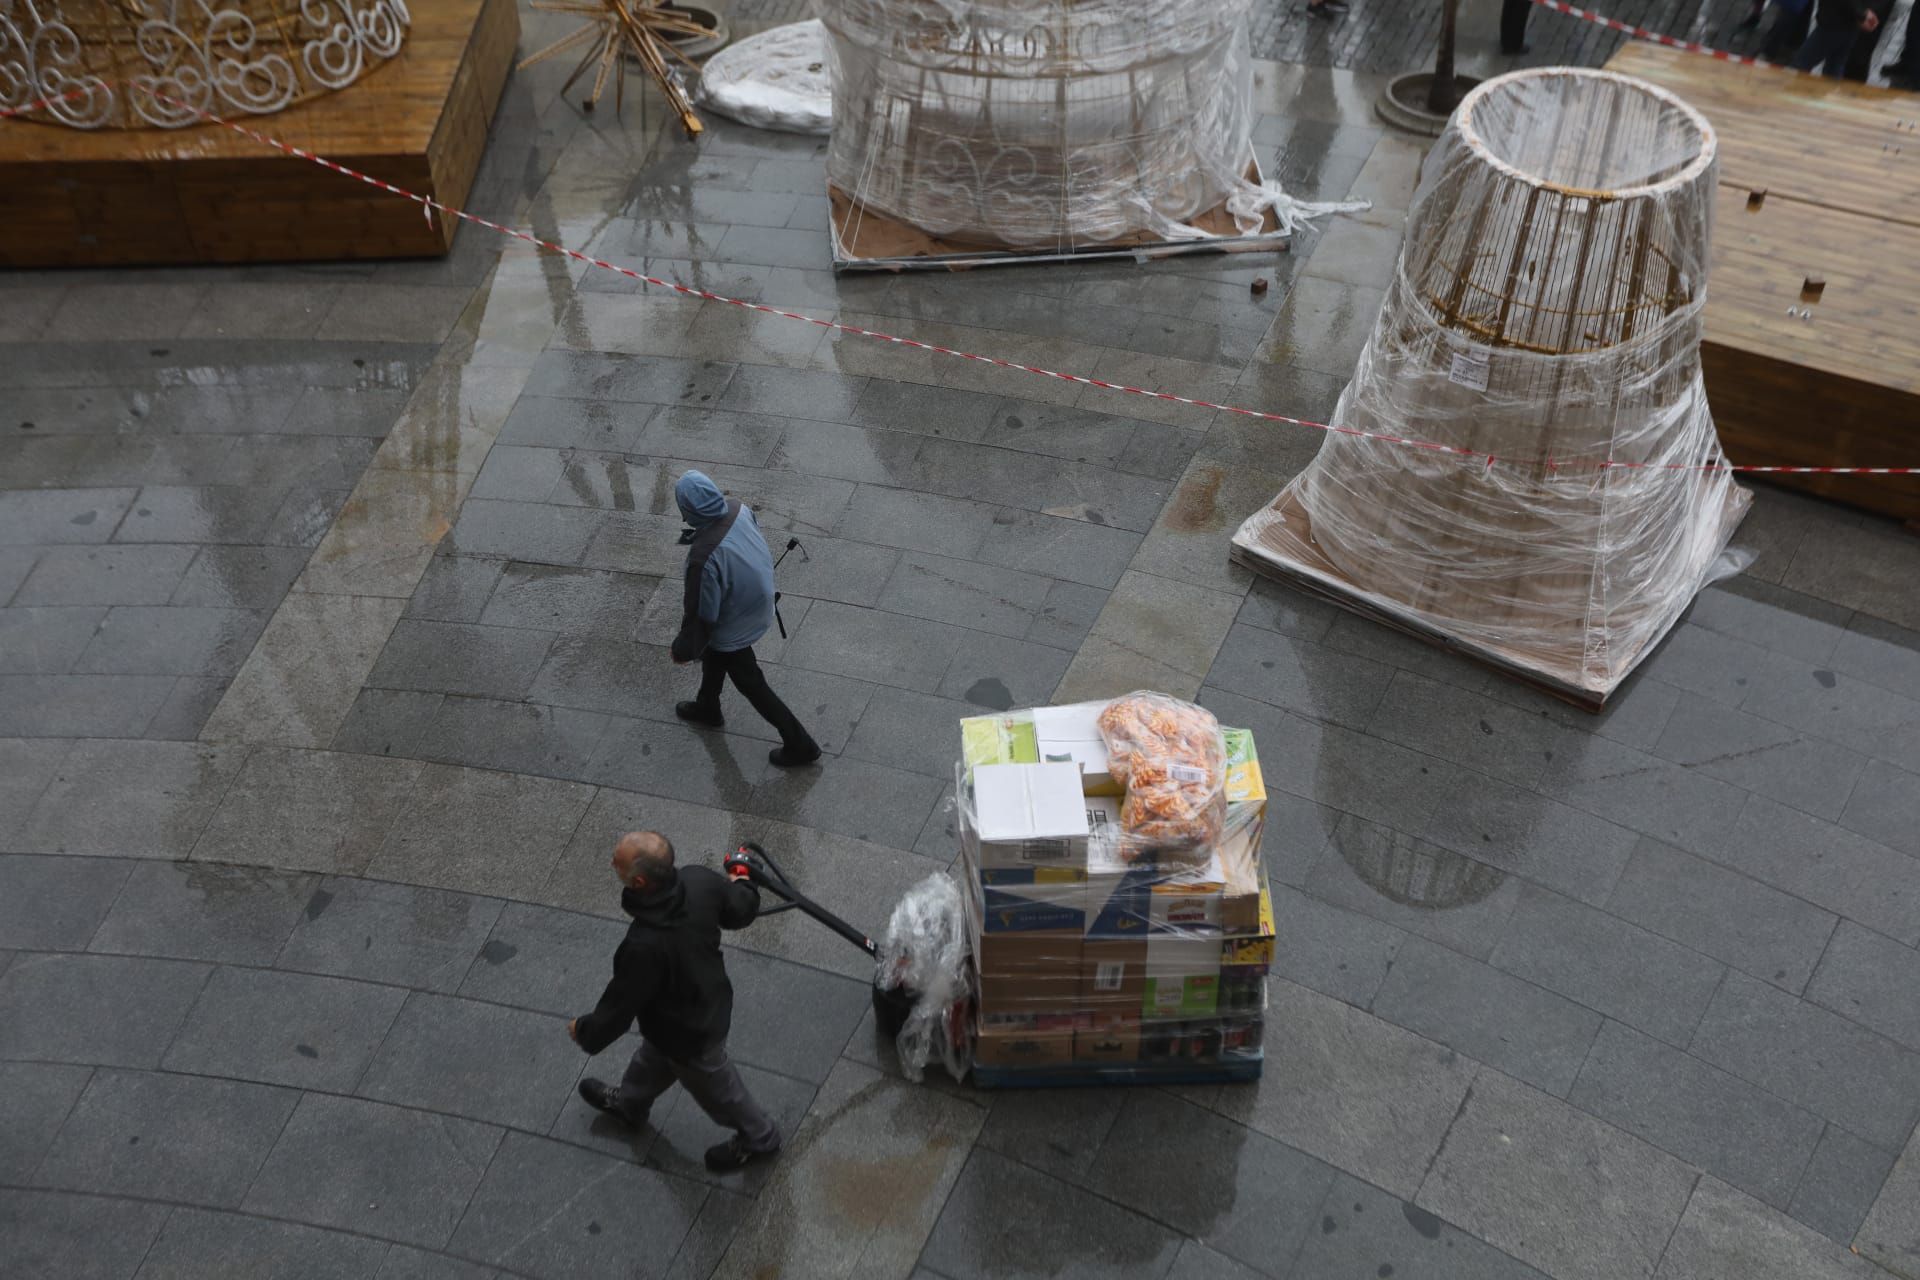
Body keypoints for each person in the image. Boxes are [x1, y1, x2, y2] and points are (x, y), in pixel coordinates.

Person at [570, 830, 781, 1173]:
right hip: (699, 1006)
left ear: (639, 882)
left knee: (718, 1089)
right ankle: (630, 1103)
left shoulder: (644, 945)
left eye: (616, 862)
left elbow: (619, 1008)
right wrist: (744, 881)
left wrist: (584, 1031)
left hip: (691, 1032)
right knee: (651, 1060)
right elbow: (740, 910)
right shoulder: (699, 881)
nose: (611, 863)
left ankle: (761, 1137)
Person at [668, 470, 820, 767]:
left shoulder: (702, 558)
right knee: (715, 654)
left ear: (687, 511)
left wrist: (683, 648)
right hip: (759, 601)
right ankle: (707, 706)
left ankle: (800, 743)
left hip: (735, 622)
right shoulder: (738, 508)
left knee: (750, 681)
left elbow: (703, 614)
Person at [1792, 0, 1880, 76]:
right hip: (1850, 20)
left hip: (1835, 20)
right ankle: (1831, 90)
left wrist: (1861, 13)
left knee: (1801, 64)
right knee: (1834, 67)